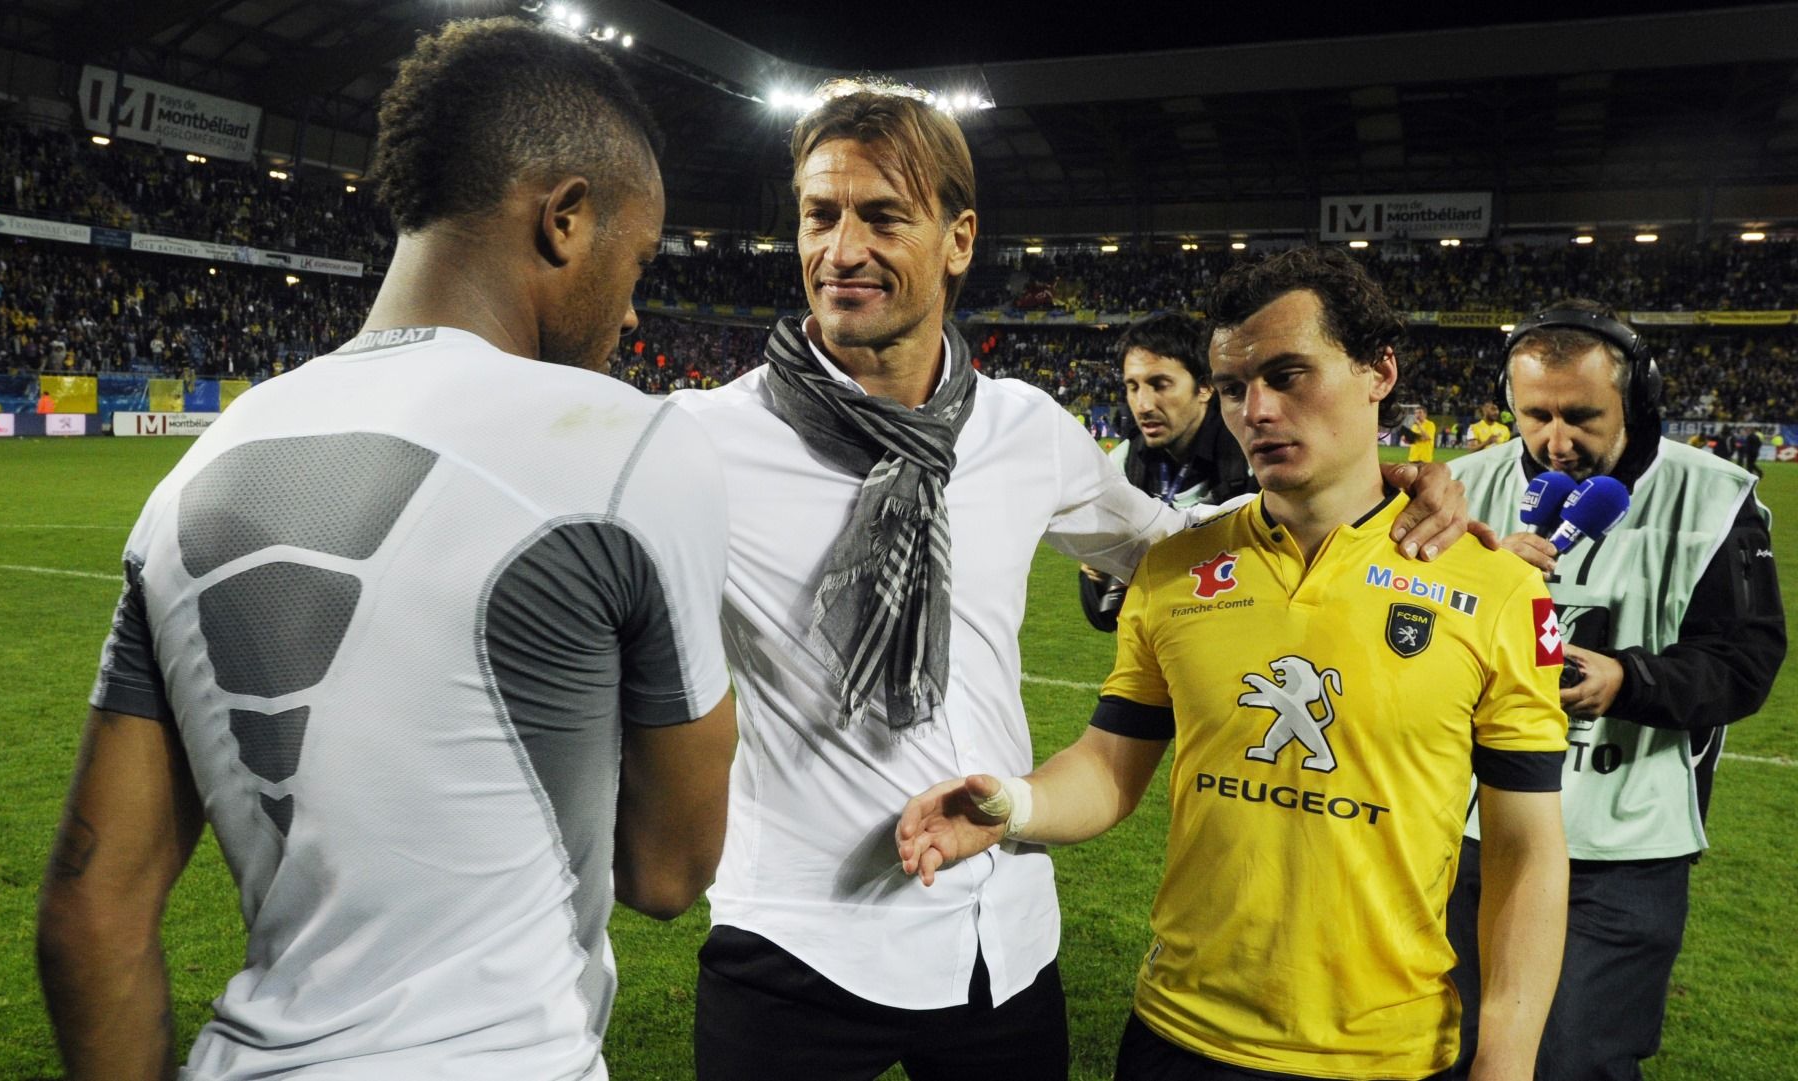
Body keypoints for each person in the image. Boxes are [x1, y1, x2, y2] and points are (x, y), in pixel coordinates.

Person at [672, 86, 1476, 1081]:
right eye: (819, 215)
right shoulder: (702, 443)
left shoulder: (1022, 428)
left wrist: (1369, 496)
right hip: (797, 935)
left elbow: (1174, 549)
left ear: (958, 238)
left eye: (882, 216)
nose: (841, 250)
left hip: (996, 939)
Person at [35, 19, 736, 1081]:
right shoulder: (628, 444)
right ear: (567, 218)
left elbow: (92, 912)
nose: (634, 309)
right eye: (635, 261)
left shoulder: (193, 478)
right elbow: (668, 870)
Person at [898, 247, 1570, 1081]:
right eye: (1231, 386)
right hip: (1180, 1036)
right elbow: (1111, 765)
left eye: (1290, 374)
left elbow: (1526, 848)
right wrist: (1016, 807)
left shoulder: (1497, 588)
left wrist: (1506, 1061)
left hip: (1388, 1054)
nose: (1256, 409)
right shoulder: (1178, 567)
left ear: (1378, 370)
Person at [1445, 299, 1785, 1081]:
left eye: (1581, 415)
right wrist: (1473, 581)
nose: (1556, 440)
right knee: (1454, 1048)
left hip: (1627, 843)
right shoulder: (1460, 490)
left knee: (1574, 1058)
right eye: (1535, 415)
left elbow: (1746, 660)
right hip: (1470, 825)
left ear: (1638, 402)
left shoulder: (1714, 495)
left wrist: (1630, 679)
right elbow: (1401, 638)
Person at [1079, 311, 1252, 631]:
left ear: (1204, 388)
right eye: (1133, 387)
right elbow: (1104, 617)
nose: (1143, 404)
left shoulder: (1249, 456)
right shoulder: (1123, 465)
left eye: (1160, 384)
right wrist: (1101, 566)